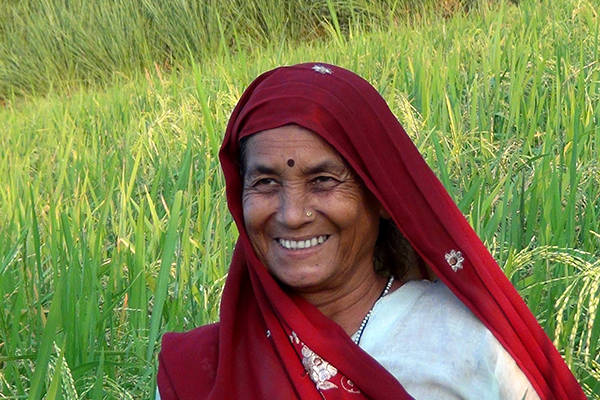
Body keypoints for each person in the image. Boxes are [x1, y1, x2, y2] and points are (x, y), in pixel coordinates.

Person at [157, 63, 585, 399]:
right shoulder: (201, 371)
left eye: (323, 180)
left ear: (380, 195)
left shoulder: (469, 346)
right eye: (265, 182)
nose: (291, 215)